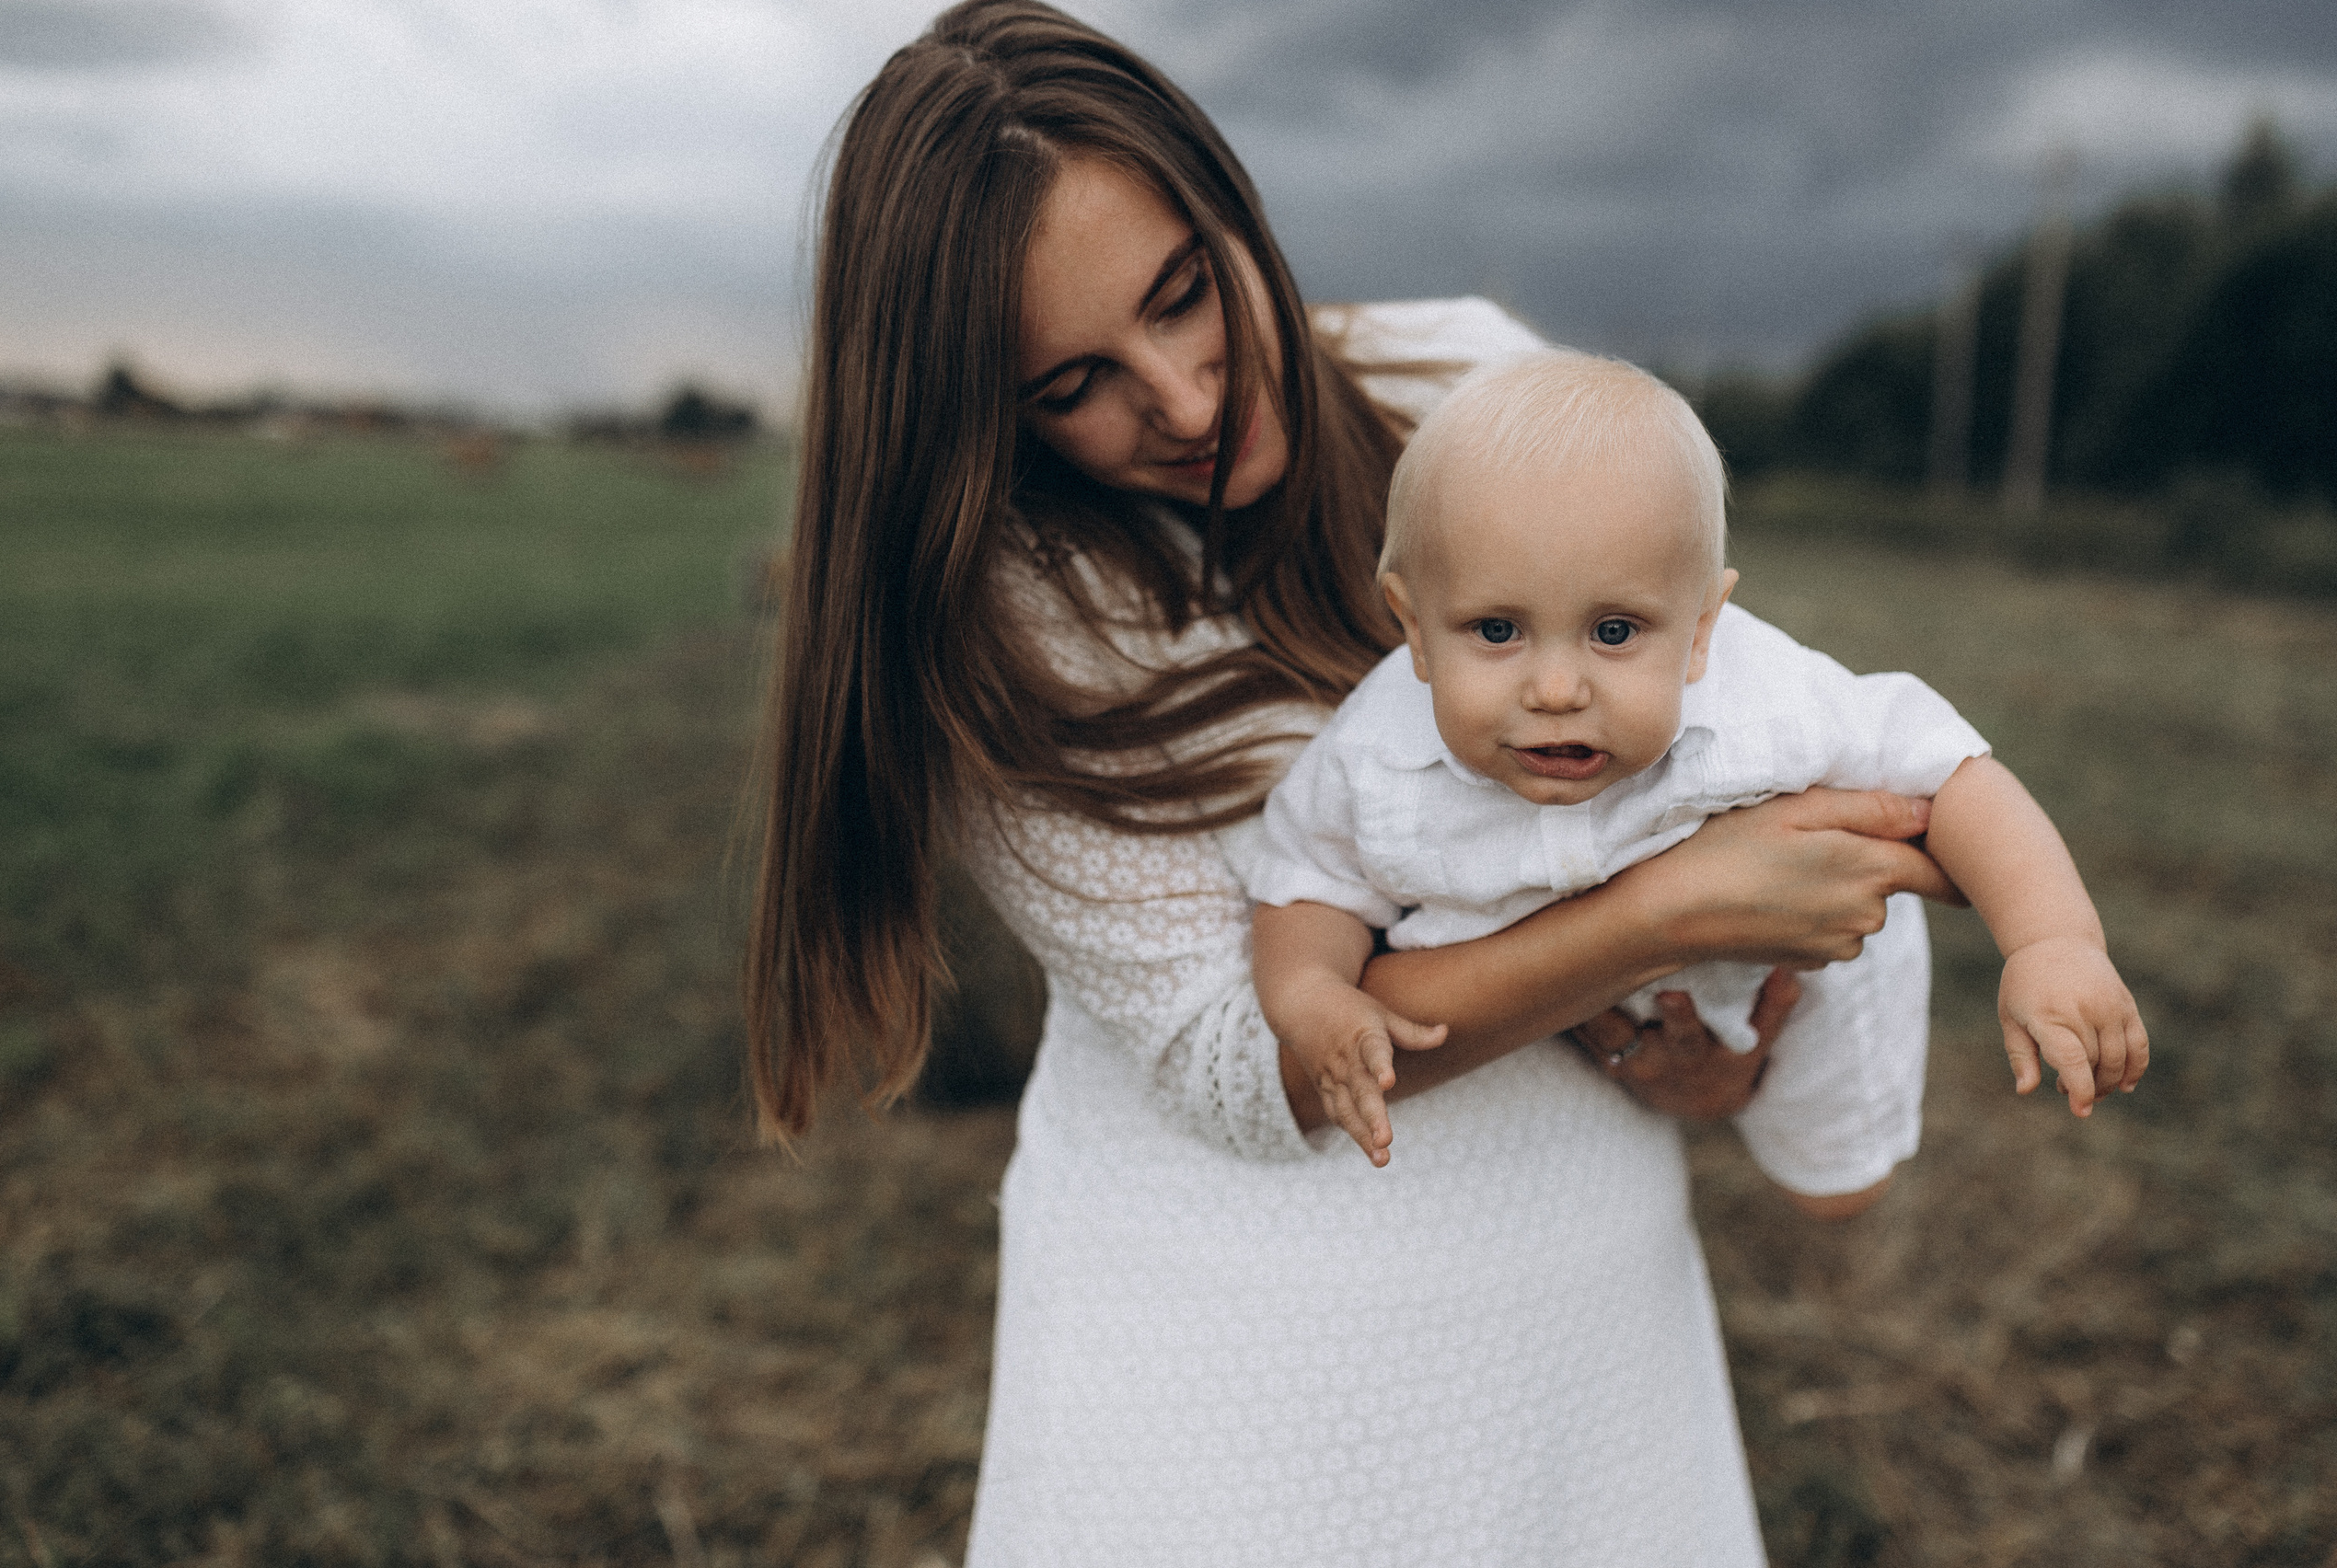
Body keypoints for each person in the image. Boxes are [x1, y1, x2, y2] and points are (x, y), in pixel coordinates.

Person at [746, 3, 1961, 1562]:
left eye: (1187, 295)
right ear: (981, 406)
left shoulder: (1471, 375)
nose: (1180, 398)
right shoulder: (990, 618)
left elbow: (1719, 743)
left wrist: (1727, 1037)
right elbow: (1242, 1066)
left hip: (1581, 1284)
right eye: (1075, 385)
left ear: (1229, 194)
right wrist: (1657, 917)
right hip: (1238, 1343)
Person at [1245, 352, 2149, 1195]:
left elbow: (1952, 770)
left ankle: (1836, 1154)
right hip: (1588, 1006)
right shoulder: (1374, 755)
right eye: (1495, 630)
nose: (1556, 689)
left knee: (1837, 1184)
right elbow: (1306, 883)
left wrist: (2050, 942)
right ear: (1411, 623)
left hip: (1808, 966)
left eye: (1612, 632)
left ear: (1702, 629)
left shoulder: (1766, 704)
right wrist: (1312, 996)